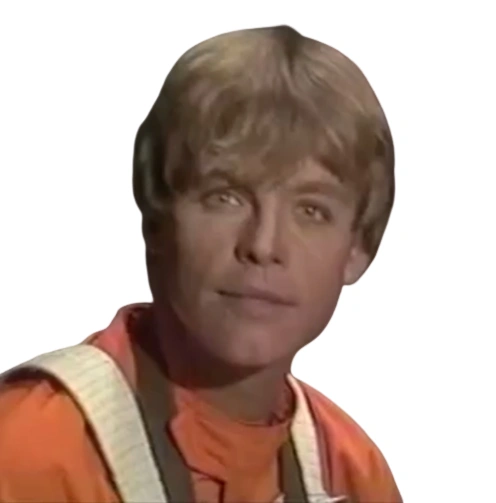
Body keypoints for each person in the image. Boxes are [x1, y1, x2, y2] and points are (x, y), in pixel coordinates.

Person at [0, 25, 402, 503]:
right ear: (157, 216)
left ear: (358, 248)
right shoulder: (31, 449)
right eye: (225, 197)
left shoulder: (352, 471)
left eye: (311, 210)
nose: (263, 245)